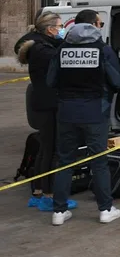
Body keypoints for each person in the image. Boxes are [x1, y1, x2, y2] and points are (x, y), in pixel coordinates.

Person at [47, 9, 120, 226]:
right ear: (93, 26)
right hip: (94, 113)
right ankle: (105, 209)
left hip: (66, 112)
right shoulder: (103, 50)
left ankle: (59, 212)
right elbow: (118, 82)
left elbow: (50, 81)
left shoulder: (62, 50)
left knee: (65, 161)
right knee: (98, 161)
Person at [16, 11, 74, 211]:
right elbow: (61, 61)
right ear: (50, 29)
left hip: (44, 103)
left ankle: (39, 191)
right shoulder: (43, 50)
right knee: (51, 150)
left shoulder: (42, 45)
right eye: (59, 26)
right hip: (48, 104)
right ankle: (48, 194)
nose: (62, 29)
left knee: (45, 148)